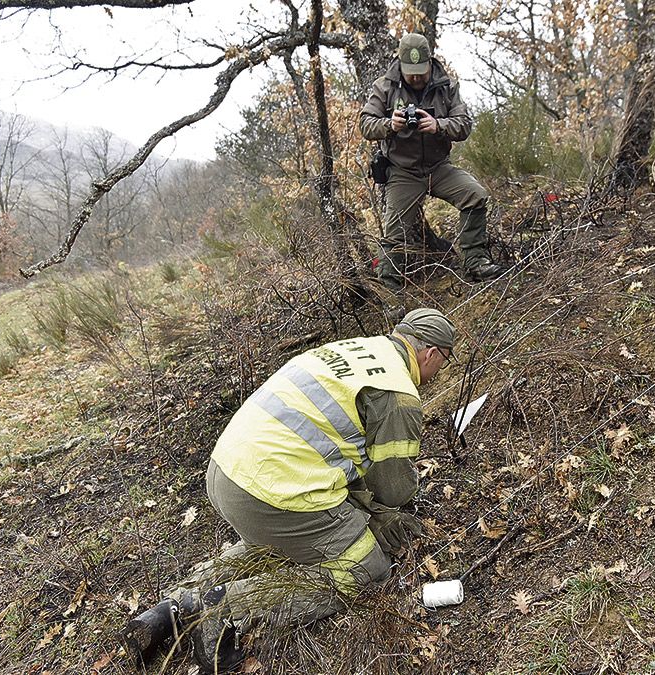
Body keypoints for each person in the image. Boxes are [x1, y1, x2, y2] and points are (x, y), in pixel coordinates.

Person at [120, 309, 457, 672]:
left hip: (226, 472)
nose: (439, 371)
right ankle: (226, 610)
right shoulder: (399, 394)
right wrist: (386, 509)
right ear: (432, 354)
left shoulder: (355, 349)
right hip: (273, 491)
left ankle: (172, 606)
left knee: (276, 544)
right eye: (443, 362)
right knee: (368, 566)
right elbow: (393, 489)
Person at [360, 33, 504, 292]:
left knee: (475, 195)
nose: (416, 77)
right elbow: (365, 124)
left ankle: (475, 261)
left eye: (421, 72)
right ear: (400, 65)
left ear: (430, 62)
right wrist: (389, 125)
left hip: (439, 167)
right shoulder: (385, 87)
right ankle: (390, 292)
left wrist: (439, 125)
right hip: (403, 171)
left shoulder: (446, 86)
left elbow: (464, 125)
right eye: (410, 72)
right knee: (394, 234)